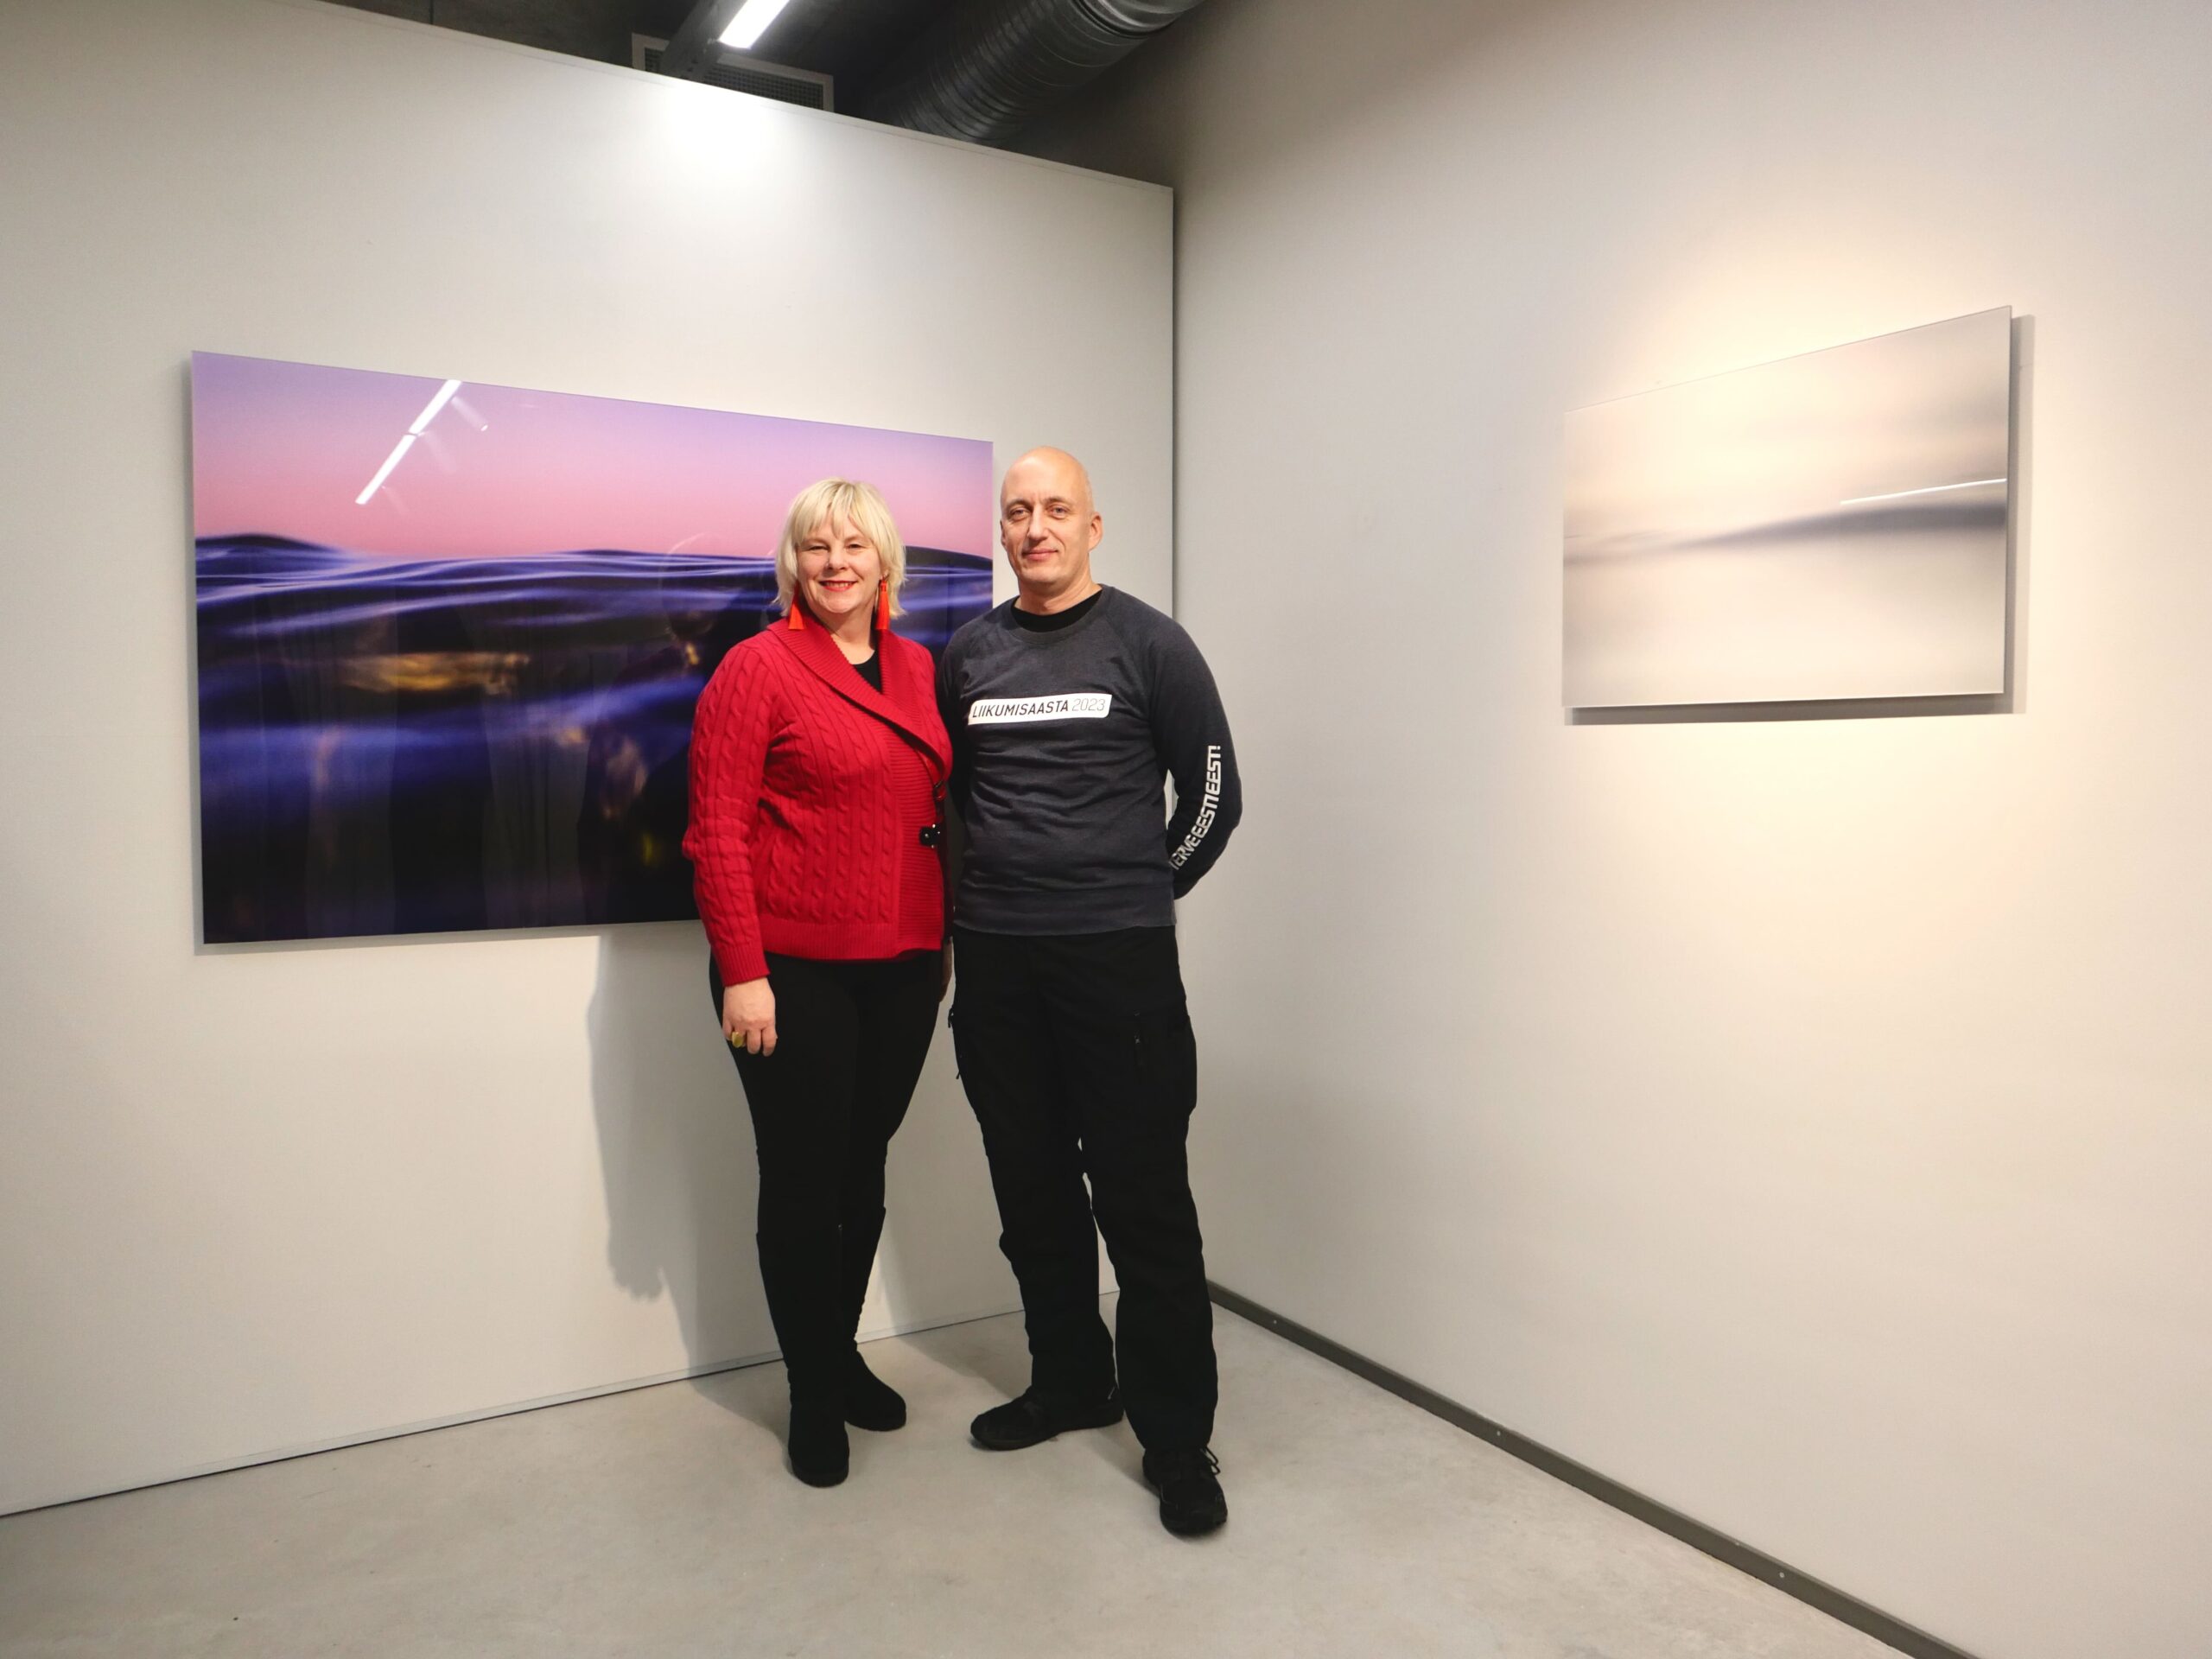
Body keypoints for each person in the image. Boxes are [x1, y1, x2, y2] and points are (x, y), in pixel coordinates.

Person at [938, 447, 1242, 1536]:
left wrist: (1139, 891)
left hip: (1119, 967)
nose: (1036, 528)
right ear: (1002, 530)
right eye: (1018, 511)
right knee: (1032, 1195)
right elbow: (952, 800)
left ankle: (1177, 1440)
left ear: (1093, 526)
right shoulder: (969, 655)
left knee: (1143, 1203)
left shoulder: (1150, 643)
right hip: (997, 967)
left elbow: (1213, 794)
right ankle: (1071, 1380)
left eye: (1056, 509)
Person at [683, 478, 952, 1488]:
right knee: (802, 1181)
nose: (834, 562)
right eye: (814, 546)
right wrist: (743, 974)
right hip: (789, 972)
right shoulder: (755, 668)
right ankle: (810, 1390)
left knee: (862, 1168)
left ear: (885, 562)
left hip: (907, 966)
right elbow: (716, 833)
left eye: (853, 545)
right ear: (791, 563)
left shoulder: (918, 667)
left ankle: (838, 1355)